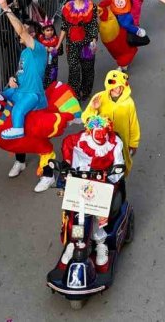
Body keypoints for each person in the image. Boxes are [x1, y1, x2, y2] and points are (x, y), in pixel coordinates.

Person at [56, 115, 125, 268]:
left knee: (96, 213)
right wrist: (67, 166)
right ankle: (75, 242)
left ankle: (101, 243)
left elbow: (119, 166)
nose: (99, 135)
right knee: (76, 213)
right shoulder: (80, 139)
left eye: (102, 131)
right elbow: (67, 146)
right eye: (96, 131)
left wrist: (110, 177)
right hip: (81, 181)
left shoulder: (115, 143)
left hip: (102, 182)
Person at [0, 0, 48, 142]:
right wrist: (13, 79)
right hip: (19, 91)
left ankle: (17, 129)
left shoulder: (38, 49)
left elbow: (20, 30)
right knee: (0, 96)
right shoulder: (25, 52)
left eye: (24, 31)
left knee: (19, 111)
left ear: (31, 34)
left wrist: (6, 8)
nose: (18, 33)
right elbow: (21, 72)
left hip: (33, 96)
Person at [81, 70, 141, 175]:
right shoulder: (99, 97)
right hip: (102, 142)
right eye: (116, 86)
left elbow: (133, 123)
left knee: (120, 165)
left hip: (121, 140)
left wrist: (133, 143)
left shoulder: (129, 103)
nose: (118, 89)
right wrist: (94, 109)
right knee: (101, 166)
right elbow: (86, 117)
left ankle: (119, 185)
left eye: (121, 86)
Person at [58, 0, 99, 102]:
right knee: (74, 69)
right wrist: (58, 44)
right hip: (72, 44)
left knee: (87, 69)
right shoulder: (67, 7)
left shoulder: (92, 7)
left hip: (87, 44)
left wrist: (94, 41)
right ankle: (73, 94)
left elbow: (93, 25)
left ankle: (85, 92)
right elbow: (64, 27)